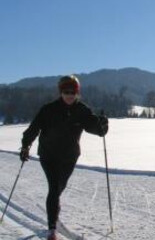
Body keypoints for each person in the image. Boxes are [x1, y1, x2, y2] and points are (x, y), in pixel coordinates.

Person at [19, 75, 109, 240]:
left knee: (59, 188)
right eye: (66, 92)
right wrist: (25, 146)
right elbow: (34, 128)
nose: (69, 95)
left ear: (77, 93)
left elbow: (94, 127)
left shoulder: (82, 110)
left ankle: (54, 211)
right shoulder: (48, 109)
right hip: (48, 155)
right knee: (54, 188)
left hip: (69, 157)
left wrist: (102, 125)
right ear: (61, 92)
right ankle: (52, 229)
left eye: (73, 92)